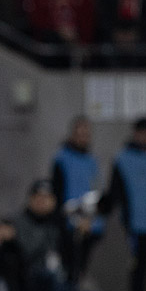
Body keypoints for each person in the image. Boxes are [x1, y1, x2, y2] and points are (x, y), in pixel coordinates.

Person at [12, 179, 124, 291]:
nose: (42, 202)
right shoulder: (21, 223)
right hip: (33, 285)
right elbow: (27, 253)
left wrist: (84, 238)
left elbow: (75, 261)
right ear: (30, 200)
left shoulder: (61, 224)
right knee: (50, 280)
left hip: (62, 285)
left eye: (47, 198)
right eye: (38, 198)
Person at [99, 117, 146, 291]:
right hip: (138, 227)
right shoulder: (123, 159)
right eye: (143, 132)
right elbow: (114, 194)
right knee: (138, 273)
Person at [50, 115, 105, 278]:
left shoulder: (92, 161)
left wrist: (92, 221)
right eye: (79, 134)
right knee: (68, 271)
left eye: (86, 134)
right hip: (69, 226)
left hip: (89, 226)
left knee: (80, 271)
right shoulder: (61, 160)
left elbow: (97, 192)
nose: (83, 138)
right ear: (72, 135)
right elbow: (58, 195)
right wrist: (71, 221)